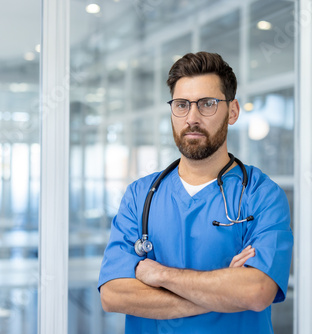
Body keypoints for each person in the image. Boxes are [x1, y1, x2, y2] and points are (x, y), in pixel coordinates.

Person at [98, 51, 293, 334]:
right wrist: (224, 292)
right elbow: (114, 295)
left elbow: (256, 292)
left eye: (207, 104)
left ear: (233, 111)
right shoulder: (141, 196)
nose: (192, 117)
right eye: (181, 105)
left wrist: (159, 275)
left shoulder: (262, 195)